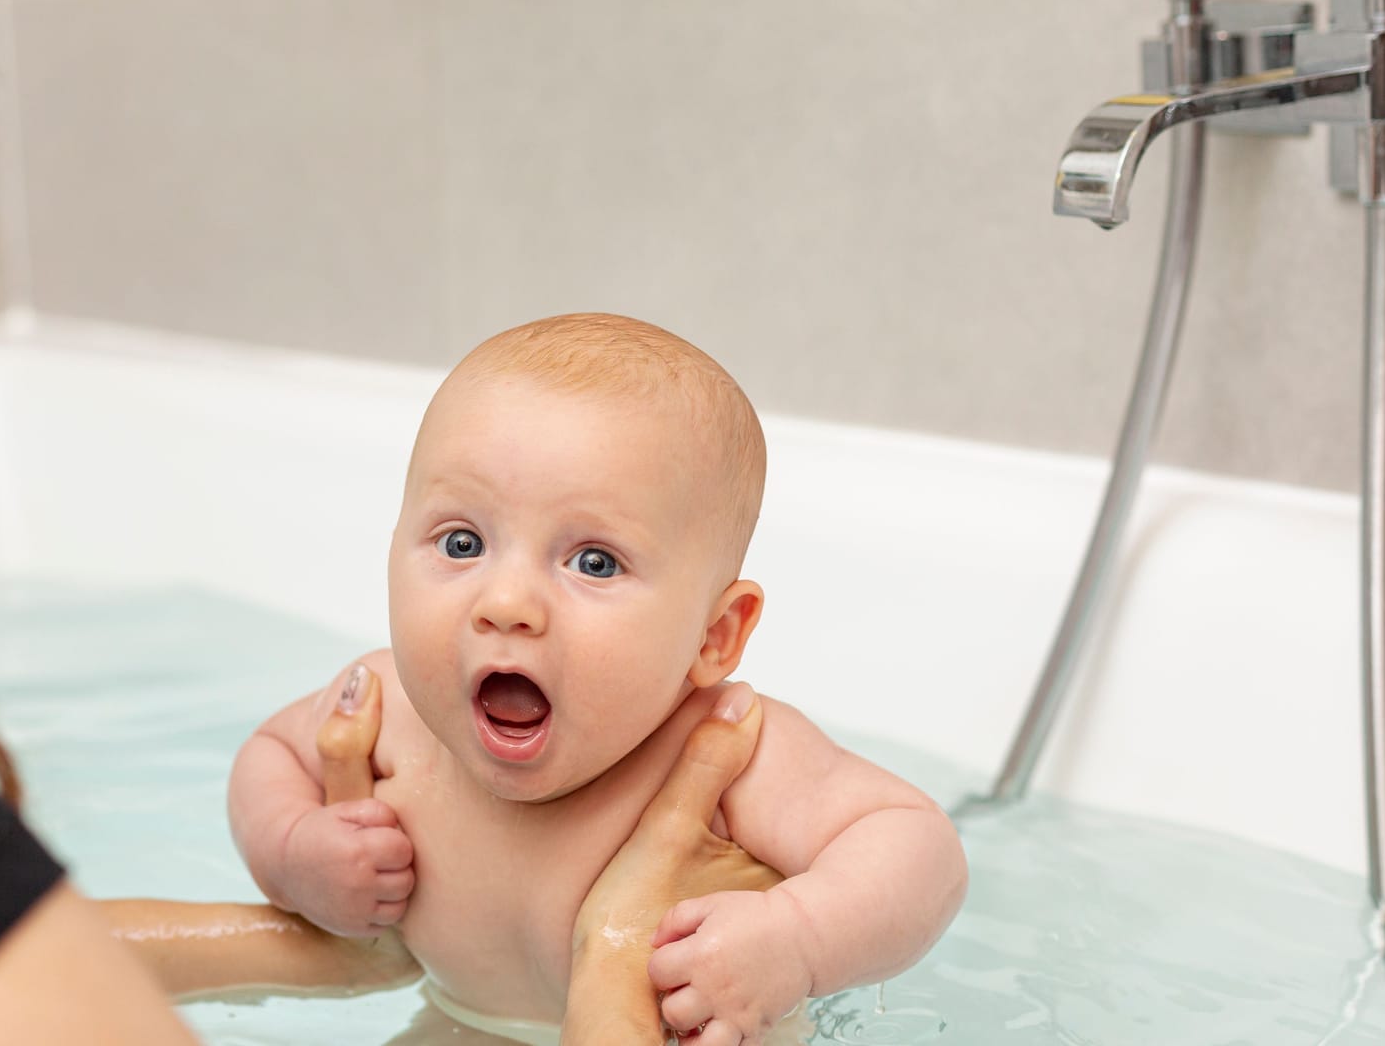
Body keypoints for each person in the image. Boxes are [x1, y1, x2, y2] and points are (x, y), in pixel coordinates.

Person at [0, 0, 799, 1043]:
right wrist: (613, 954)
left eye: (594, 563)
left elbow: (906, 857)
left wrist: (309, 941)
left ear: (716, 632)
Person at [230, 314, 971, 1044]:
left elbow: (916, 844)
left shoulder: (725, 751)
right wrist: (294, 851)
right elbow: (273, 752)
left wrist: (797, 940)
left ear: (715, 636)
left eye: (594, 562)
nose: (507, 604)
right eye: (463, 543)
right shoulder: (388, 710)